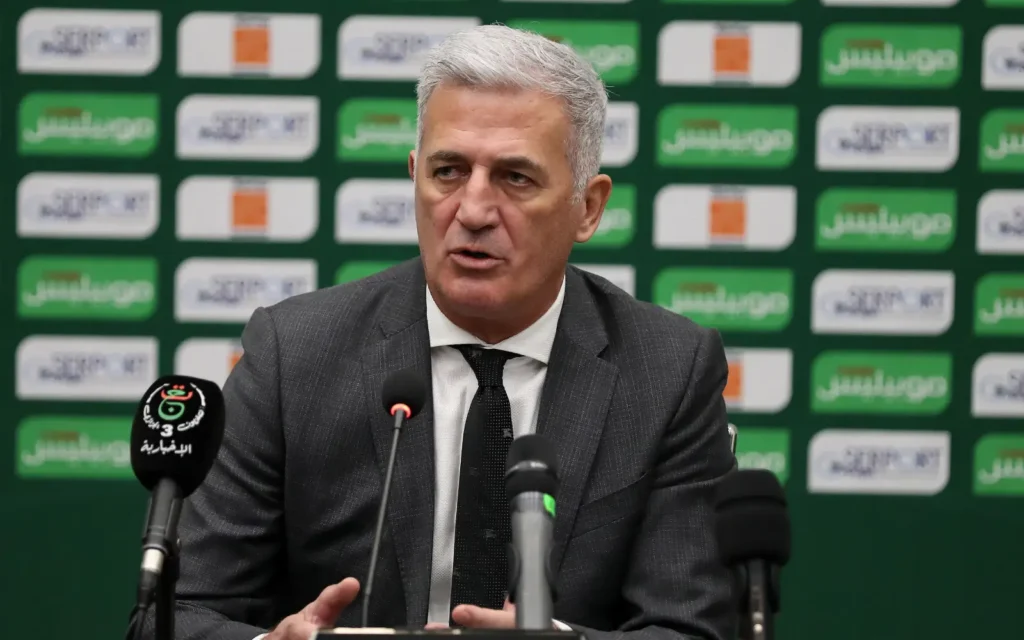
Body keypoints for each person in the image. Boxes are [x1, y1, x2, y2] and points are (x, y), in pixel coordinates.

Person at [149, 23, 737, 640]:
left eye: (516, 178)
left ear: (587, 208)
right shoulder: (293, 356)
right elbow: (175, 615)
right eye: (449, 171)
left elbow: (692, 628)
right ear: (415, 176)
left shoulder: (668, 372)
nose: (474, 211)